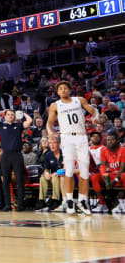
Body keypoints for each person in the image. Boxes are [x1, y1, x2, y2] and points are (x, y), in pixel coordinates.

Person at [46, 80, 99, 215]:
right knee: (68, 169)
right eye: (60, 89)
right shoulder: (55, 105)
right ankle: (69, 200)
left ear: (70, 90)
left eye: (65, 88)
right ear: (57, 93)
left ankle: (82, 200)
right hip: (67, 137)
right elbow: (49, 123)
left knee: (84, 171)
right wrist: (51, 132)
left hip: (81, 137)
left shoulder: (79, 100)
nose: (63, 90)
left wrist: (95, 117)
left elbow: (94, 111)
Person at [0, 109, 33, 211]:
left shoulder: (18, 125)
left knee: (19, 180)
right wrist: (2, 111)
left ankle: (21, 205)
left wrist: (22, 114)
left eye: (12, 114)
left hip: (17, 155)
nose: (10, 116)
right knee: (5, 181)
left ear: (14, 116)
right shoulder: (0, 125)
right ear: (5, 116)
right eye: (8, 114)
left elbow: (30, 120)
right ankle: (8, 204)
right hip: (6, 156)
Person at [95, 131, 125, 214]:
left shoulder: (123, 150)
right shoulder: (104, 150)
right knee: (95, 177)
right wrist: (106, 180)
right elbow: (103, 166)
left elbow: (122, 168)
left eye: (112, 140)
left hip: (120, 177)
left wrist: (114, 181)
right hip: (111, 176)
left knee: (123, 175)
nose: (109, 142)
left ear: (117, 141)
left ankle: (123, 202)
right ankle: (101, 203)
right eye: (108, 140)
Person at [36, 136, 63, 212]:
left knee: (55, 177)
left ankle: (56, 199)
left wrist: (57, 172)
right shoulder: (48, 155)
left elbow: (68, 168)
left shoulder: (64, 154)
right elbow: (46, 168)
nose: (52, 145)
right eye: (50, 143)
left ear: (59, 144)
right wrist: (46, 173)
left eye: (54, 143)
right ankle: (42, 200)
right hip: (53, 176)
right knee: (43, 178)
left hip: (65, 177)